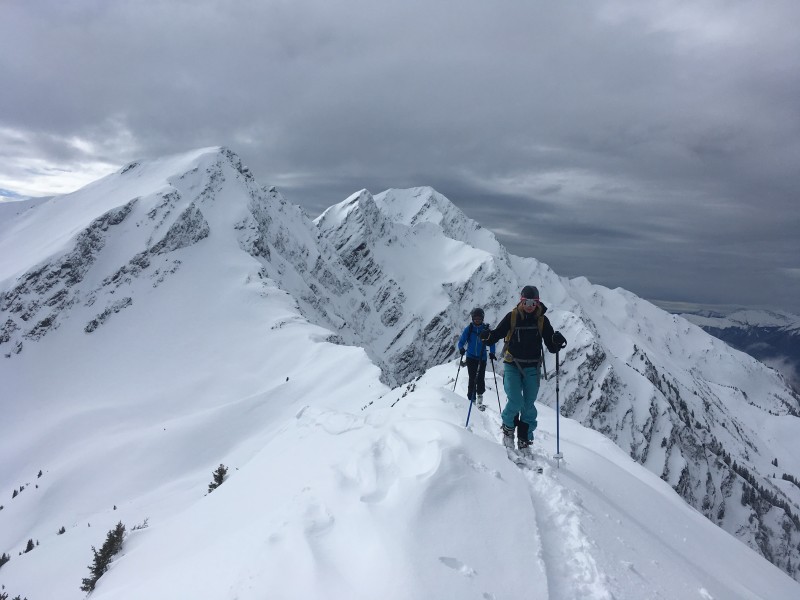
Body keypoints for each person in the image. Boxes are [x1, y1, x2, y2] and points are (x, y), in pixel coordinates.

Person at [480, 286, 567, 454]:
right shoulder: (512, 317)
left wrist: (556, 342)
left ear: (537, 302)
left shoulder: (542, 320)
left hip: (533, 367)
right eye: (526, 302)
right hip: (512, 364)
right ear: (521, 301)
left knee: (528, 405)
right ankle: (508, 430)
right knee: (515, 401)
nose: (529, 305)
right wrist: (487, 337)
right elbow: (497, 334)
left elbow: (551, 346)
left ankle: (524, 438)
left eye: (533, 302)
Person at [457, 307, 496, 411]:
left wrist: (492, 353)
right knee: (472, 378)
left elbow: (492, 342)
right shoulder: (469, 329)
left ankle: (479, 398)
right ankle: (471, 399)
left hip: (482, 358)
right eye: (475, 319)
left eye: (479, 319)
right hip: (470, 357)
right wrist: (461, 349)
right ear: (472, 318)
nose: (477, 321)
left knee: (480, 378)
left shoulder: (486, 330)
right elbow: (461, 342)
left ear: (482, 318)